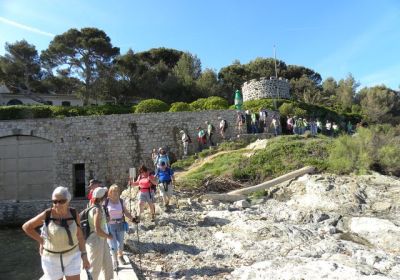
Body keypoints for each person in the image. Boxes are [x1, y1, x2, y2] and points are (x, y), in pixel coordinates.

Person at [22, 186, 90, 280]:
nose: (57, 204)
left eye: (61, 201)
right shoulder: (48, 214)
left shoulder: (74, 213)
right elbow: (27, 227)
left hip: (72, 256)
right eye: (54, 201)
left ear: (68, 200)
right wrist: (41, 241)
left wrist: (84, 256)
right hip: (51, 259)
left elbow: (80, 236)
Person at [105, 184, 136, 271]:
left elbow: (126, 212)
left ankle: (120, 256)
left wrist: (133, 219)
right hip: (110, 226)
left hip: (120, 225)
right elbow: (102, 213)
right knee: (113, 245)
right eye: (113, 191)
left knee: (121, 243)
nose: (115, 193)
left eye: (117, 191)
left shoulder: (121, 201)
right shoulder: (106, 202)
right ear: (110, 192)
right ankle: (115, 261)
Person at [86, 186, 114, 280]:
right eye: (106, 195)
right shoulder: (97, 210)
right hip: (96, 240)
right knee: (95, 268)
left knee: (108, 265)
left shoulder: (96, 207)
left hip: (101, 239)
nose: (107, 197)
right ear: (103, 197)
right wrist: (109, 236)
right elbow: (97, 229)